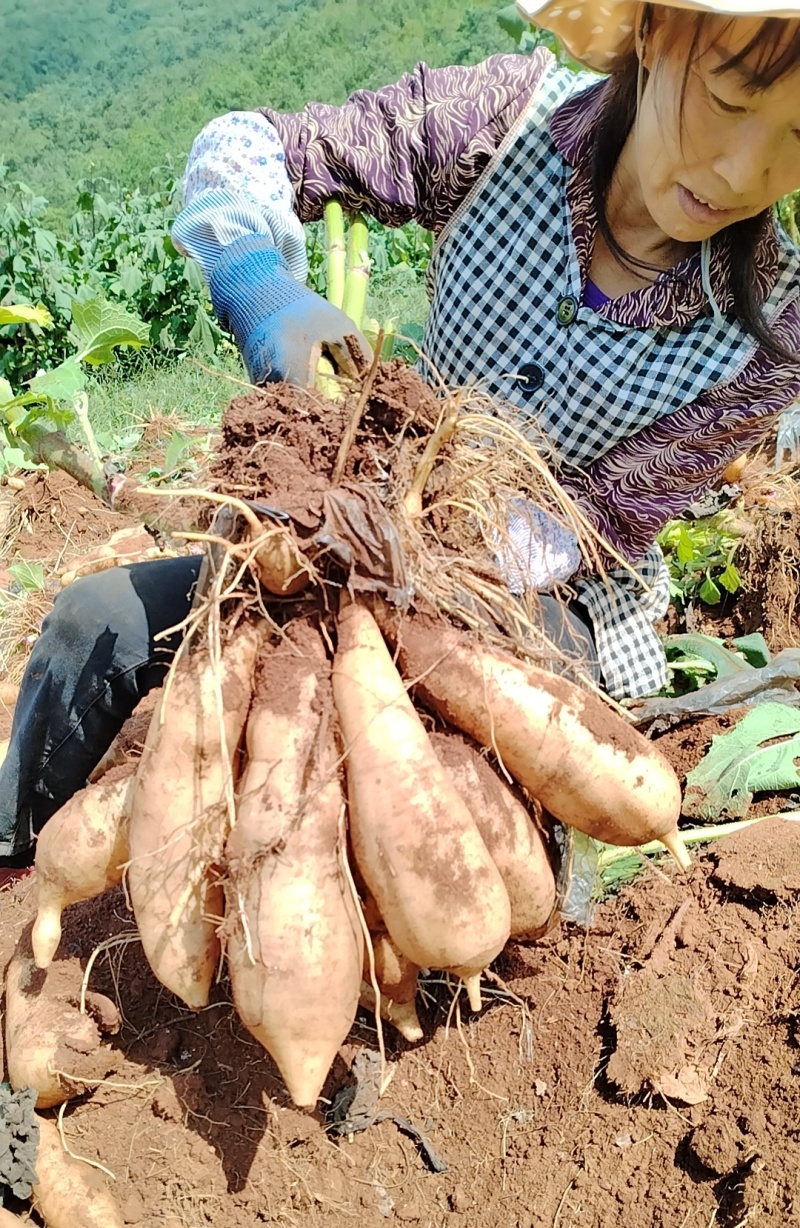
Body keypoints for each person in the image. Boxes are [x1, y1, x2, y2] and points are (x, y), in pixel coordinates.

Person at [1, 0, 799, 883]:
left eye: (796, 135)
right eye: (728, 101)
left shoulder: (777, 330)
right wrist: (258, 282)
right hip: (349, 512)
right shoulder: (503, 123)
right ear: (656, 31)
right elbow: (247, 143)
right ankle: (16, 858)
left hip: (534, 585)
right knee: (93, 623)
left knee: (493, 762)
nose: (742, 169)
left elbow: (611, 520)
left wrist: (429, 563)